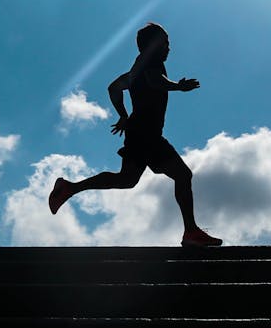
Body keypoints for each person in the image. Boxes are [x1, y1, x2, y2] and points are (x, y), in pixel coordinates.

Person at [48, 22, 222, 247]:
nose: (169, 48)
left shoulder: (135, 69)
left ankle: (70, 187)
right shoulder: (152, 63)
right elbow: (154, 80)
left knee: (127, 179)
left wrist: (123, 116)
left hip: (137, 131)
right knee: (183, 175)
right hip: (147, 134)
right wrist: (178, 86)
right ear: (154, 45)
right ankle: (191, 232)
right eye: (165, 43)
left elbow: (113, 88)